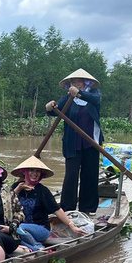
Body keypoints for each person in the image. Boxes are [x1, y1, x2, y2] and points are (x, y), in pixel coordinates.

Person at [45, 68, 104, 214]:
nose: (76, 84)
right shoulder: (68, 99)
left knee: (89, 175)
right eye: (74, 82)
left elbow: (96, 101)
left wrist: (79, 94)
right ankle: (68, 207)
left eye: (79, 82)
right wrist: (49, 106)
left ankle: (87, 208)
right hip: (73, 144)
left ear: (85, 83)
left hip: (91, 143)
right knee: (71, 175)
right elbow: (54, 110)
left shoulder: (93, 94)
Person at [10, 156, 88, 250]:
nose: (35, 174)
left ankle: (38, 248)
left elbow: (57, 210)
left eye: (38, 171)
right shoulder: (16, 187)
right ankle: (28, 246)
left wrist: (72, 226)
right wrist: (18, 189)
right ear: (25, 172)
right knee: (12, 231)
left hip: (40, 229)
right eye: (31, 170)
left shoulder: (43, 191)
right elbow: (5, 205)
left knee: (19, 228)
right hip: (19, 228)